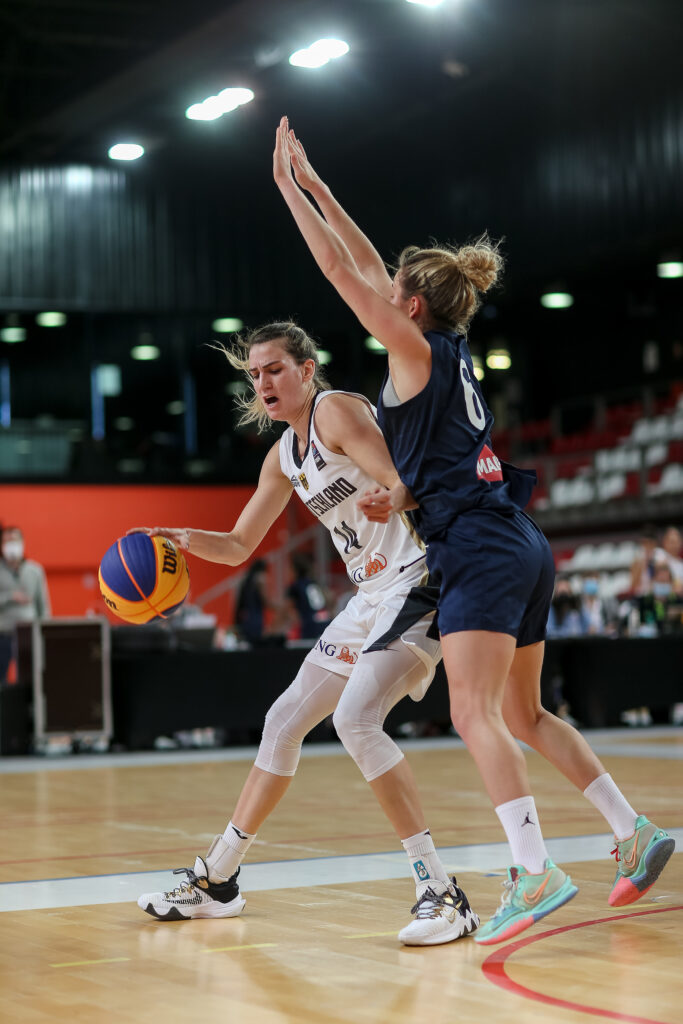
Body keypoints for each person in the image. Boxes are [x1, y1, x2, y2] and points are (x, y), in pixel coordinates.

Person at [272, 117, 674, 944]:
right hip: (517, 540)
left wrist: (286, 190)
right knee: (525, 714)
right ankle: (631, 831)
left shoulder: (413, 352)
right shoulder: (443, 347)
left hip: (479, 549)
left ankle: (533, 871)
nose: (380, 292)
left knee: (473, 716)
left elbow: (339, 267)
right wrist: (316, 183)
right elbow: (370, 264)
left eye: (393, 291)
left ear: (409, 306)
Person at [135, 321, 478, 946]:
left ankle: (441, 891)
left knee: (355, 720)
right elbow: (240, 545)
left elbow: (406, 483)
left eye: (274, 369)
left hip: (420, 578)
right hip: (370, 596)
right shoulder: (281, 457)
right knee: (283, 720)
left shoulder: (338, 412)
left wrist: (390, 495)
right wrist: (187, 540)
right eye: (255, 373)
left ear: (306, 370)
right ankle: (219, 880)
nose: (263, 381)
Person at [0, 525, 51, 683]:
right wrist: (9, 597)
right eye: (7, 541)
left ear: (22, 543)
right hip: (3, 634)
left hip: (29, 634)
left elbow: (43, 604)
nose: (11, 545)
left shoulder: (35, 570)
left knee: (31, 678)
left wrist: (46, 631)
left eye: (14, 541)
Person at [287, 551, 331, 640]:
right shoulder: (314, 583)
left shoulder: (295, 586)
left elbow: (289, 611)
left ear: (294, 569)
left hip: (310, 626)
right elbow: (329, 599)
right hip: (326, 623)